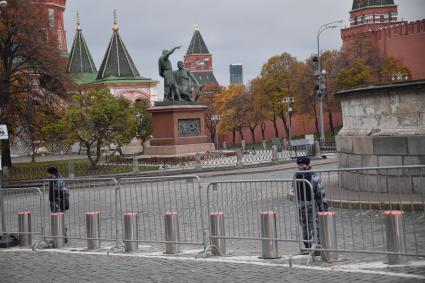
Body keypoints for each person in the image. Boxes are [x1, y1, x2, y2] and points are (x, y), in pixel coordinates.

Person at [294, 156, 327, 253]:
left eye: (302, 165)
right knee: (305, 225)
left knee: (315, 225)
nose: (301, 167)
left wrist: (318, 194)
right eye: (299, 165)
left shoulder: (314, 175)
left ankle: (318, 246)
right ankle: (307, 245)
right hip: (302, 204)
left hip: (313, 204)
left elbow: (321, 191)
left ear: (308, 165)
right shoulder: (297, 175)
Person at [47, 166, 69, 243]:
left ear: (52, 173)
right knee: (57, 219)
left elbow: (59, 190)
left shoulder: (58, 180)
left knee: (59, 219)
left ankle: (63, 236)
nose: (48, 175)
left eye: (49, 173)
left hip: (58, 202)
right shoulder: (54, 179)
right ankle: (58, 236)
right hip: (54, 202)